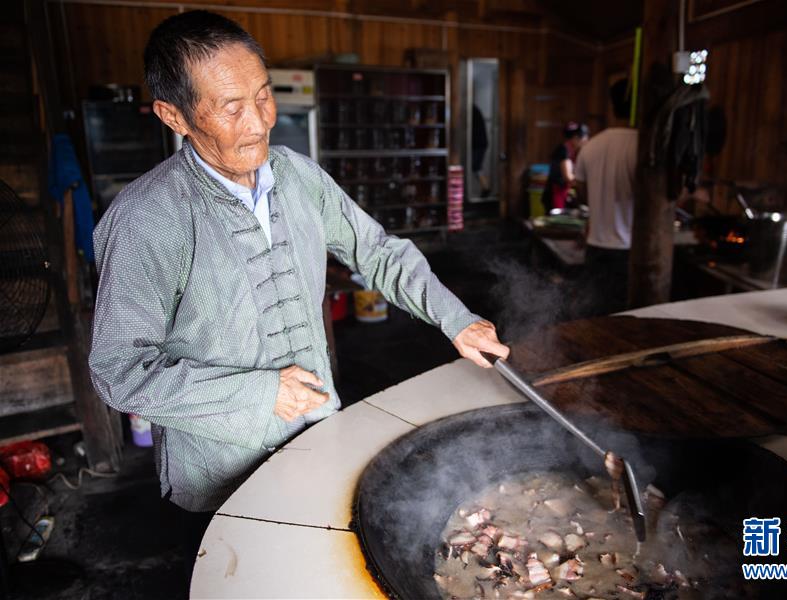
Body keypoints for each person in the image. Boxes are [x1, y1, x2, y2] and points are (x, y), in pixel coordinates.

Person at [88, 9, 509, 582]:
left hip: (317, 436)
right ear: (174, 116)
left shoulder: (297, 175)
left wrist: (456, 320)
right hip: (219, 476)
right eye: (231, 107)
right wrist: (260, 394)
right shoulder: (146, 220)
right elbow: (118, 371)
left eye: (263, 96)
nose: (258, 122)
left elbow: (377, 251)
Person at [574, 79, 638, 315]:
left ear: (612, 107)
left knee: (594, 311)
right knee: (625, 315)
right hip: (628, 251)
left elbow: (580, 192)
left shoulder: (591, 146)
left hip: (596, 247)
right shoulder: (641, 147)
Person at [542, 122, 589, 213]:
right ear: (576, 138)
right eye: (585, 138)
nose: (586, 141)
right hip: (556, 194)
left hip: (562, 192)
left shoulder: (572, 151)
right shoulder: (564, 150)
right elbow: (568, 177)